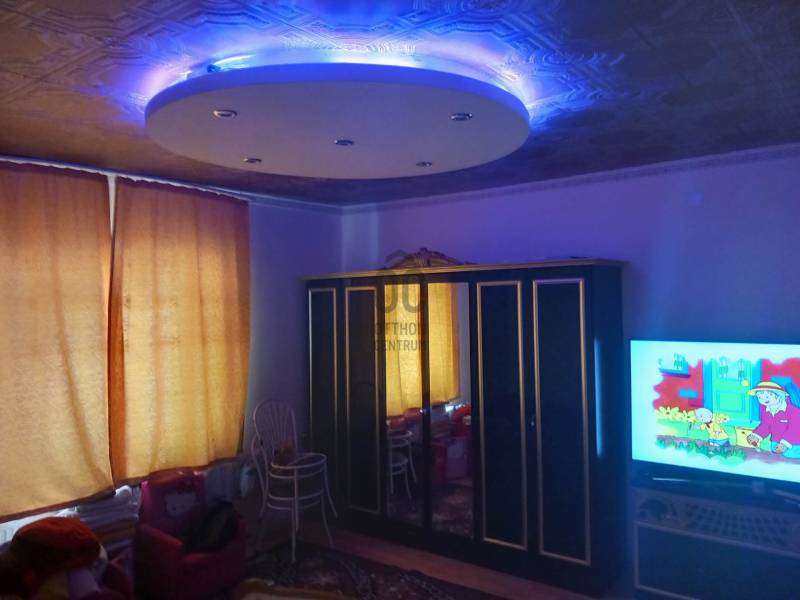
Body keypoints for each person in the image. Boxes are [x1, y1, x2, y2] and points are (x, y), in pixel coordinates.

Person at [746, 381, 800, 457]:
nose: (763, 399)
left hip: (794, 442)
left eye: (767, 396)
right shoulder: (766, 411)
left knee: (788, 454)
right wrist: (756, 435)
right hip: (776, 441)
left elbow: (794, 430)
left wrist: (784, 443)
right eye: (759, 397)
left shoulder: (793, 411)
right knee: (769, 448)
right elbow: (765, 426)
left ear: (779, 396)